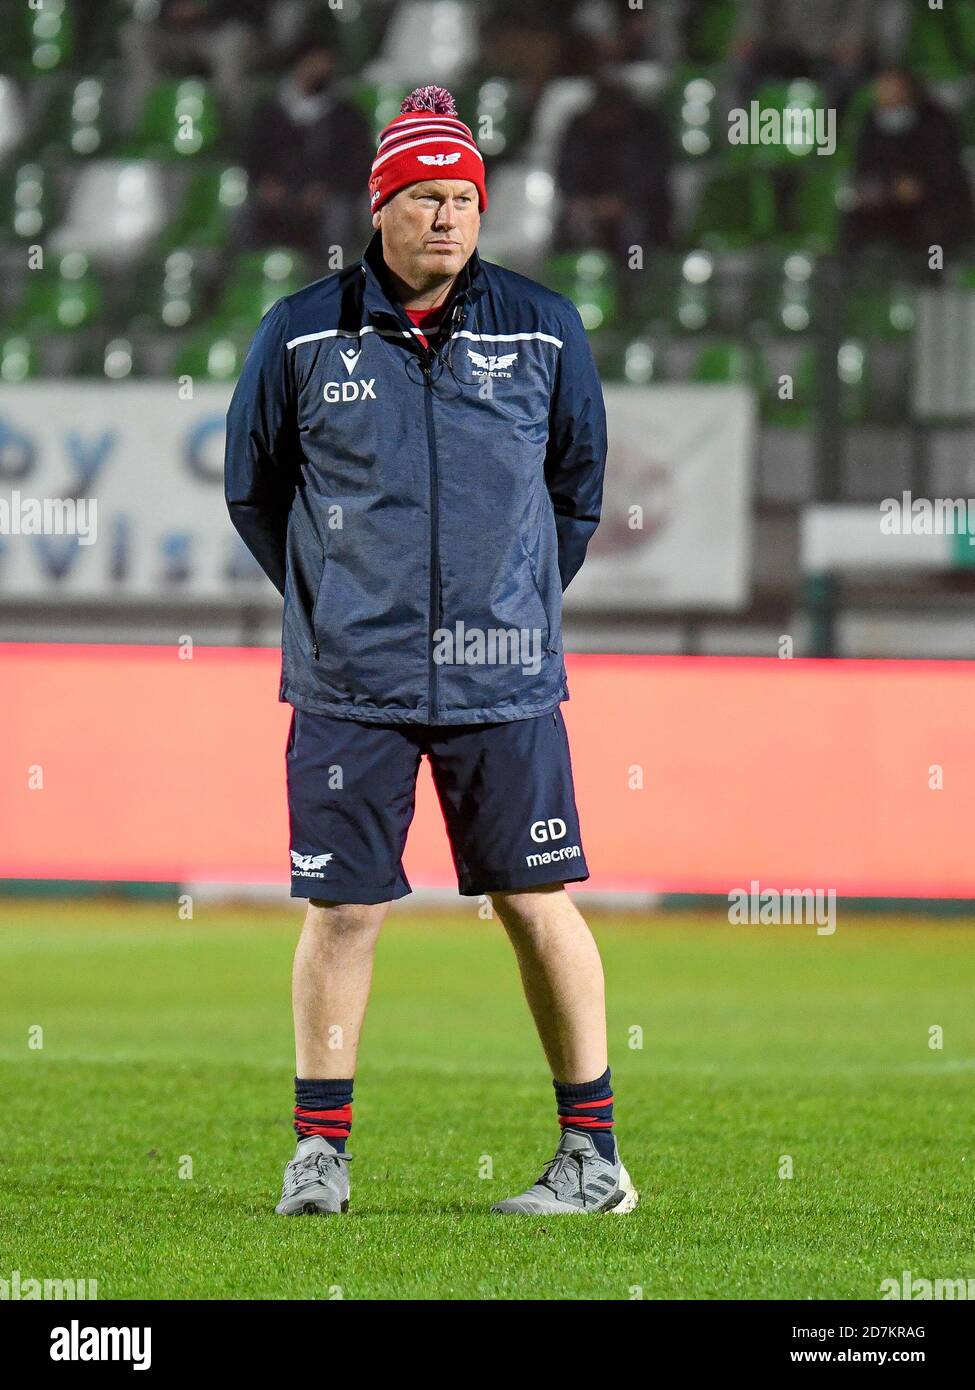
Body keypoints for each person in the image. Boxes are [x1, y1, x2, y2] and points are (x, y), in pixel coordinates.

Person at [225, 85, 637, 1218]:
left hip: (504, 678)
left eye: (463, 198)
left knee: (535, 899)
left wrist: (510, 600)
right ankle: (320, 1153)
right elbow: (255, 494)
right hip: (350, 681)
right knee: (344, 910)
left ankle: (595, 1158)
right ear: (382, 207)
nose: (447, 217)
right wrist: (340, 602)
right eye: (424, 197)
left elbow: (578, 492)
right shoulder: (301, 330)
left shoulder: (545, 327)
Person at [239, 38, 374, 258]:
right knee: (243, 212)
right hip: (278, 193)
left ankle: (332, 276)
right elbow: (252, 155)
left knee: (338, 215)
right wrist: (265, 183)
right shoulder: (270, 110)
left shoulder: (347, 114)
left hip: (326, 195)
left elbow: (358, 163)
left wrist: (327, 188)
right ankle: (248, 278)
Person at [844, 66, 975, 259]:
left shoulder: (936, 121)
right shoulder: (870, 123)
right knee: (854, 222)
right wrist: (883, 188)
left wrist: (917, 187)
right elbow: (863, 166)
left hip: (935, 202)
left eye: (895, 87)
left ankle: (935, 275)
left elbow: (946, 171)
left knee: (935, 227)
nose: (888, 93)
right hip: (887, 200)